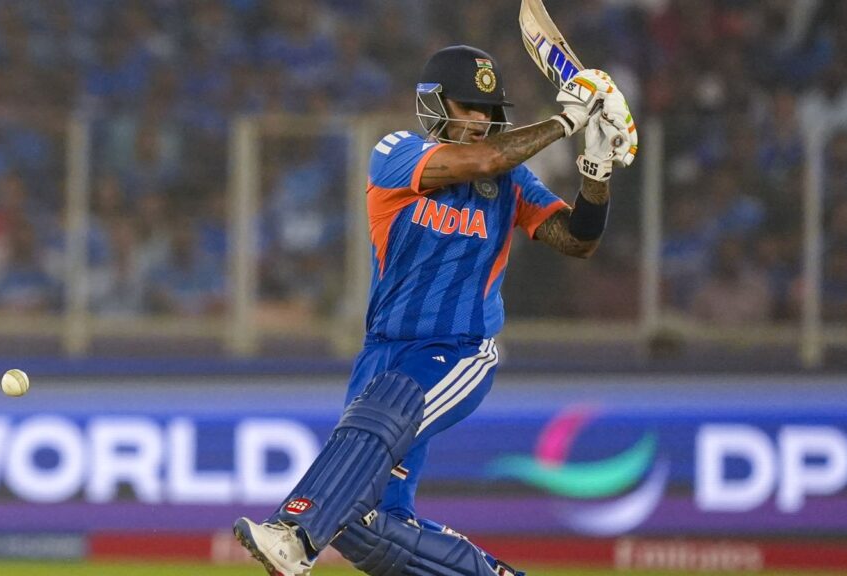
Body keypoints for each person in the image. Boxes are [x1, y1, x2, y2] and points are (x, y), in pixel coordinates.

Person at [234, 45, 636, 576]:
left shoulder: (511, 181)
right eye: (467, 106)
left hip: (459, 350)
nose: (481, 120)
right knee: (362, 521)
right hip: (383, 352)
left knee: (388, 408)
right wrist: (567, 119)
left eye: (489, 111)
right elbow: (484, 159)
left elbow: (578, 239)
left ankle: (294, 533)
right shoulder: (395, 152)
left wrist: (596, 167)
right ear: (433, 103)